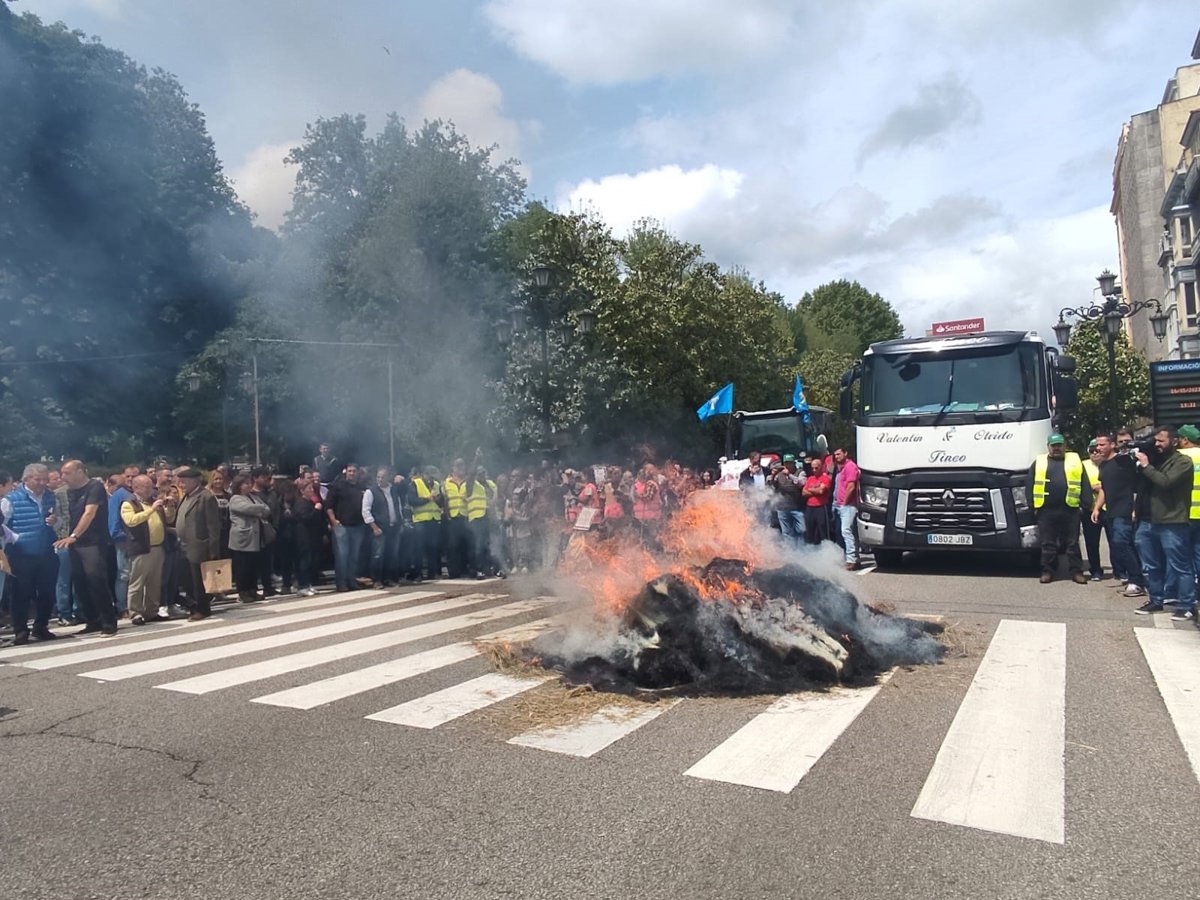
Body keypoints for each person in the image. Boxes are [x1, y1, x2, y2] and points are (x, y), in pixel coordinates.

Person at [1133, 426, 1195, 618]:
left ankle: (1187, 605)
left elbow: (1166, 482)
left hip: (1171, 520)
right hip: (1147, 520)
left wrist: (1146, 466)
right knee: (1152, 565)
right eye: (1155, 441)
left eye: (1161, 441)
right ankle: (1156, 600)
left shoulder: (1183, 462)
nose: (1157, 444)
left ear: (1174, 441)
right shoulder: (1154, 460)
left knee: (1180, 565)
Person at [56, 460, 119, 635]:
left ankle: (108, 621)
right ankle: (92, 620)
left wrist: (74, 535)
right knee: (80, 583)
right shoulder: (69, 491)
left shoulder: (95, 487)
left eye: (67, 473)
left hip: (93, 542)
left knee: (96, 580)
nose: (63, 477)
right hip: (75, 543)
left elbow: (89, 513)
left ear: (80, 471)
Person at [5, 464, 62, 643]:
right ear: (26, 479)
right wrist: (15, 540)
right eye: (38, 479)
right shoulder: (11, 500)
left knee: (47, 591)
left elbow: (60, 522)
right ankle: (21, 630)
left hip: (46, 551)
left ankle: (41, 626)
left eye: (45, 479)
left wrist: (55, 521)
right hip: (20, 554)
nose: (42, 483)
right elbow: (2, 526)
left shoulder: (51, 497)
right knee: (20, 593)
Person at [1028, 434, 1091, 584]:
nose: (1057, 448)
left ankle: (1076, 572)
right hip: (1046, 510)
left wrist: (1086, 504)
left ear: (1065, 446)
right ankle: (1047, 571)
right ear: (1048, 447)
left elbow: (1084, 482)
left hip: (1070, 509)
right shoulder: (1039, 462)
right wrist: (1032, 504)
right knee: (1047, 543)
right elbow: (1030, 483)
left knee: (1072, 543)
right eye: (1053, 445)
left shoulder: (1075, 460)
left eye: (1059, 445)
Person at [1092, 432, 1143, 598]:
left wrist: (1135, 508)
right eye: (1097, 445)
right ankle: (1135, 578)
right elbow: (1104, 489)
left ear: (1112, 445)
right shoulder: (1103, 465)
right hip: (1111, 511)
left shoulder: (1123, 461)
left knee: (1122, 542)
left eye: (1102, 445)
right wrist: (1097, 508)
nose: (1098, 448)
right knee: (1122, 544)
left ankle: (1136, 581)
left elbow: (1136, 485)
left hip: (1125, 509)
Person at [120, 475, 169, 625]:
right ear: (135, 488)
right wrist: (151, 510)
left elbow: (167, 519)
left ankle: (151, 611)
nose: (150, 490)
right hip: (141, 548)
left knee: (154, 582)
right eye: (146, 487)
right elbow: (131, 521)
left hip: (158, 547)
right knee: (137, 582)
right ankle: (135, 613)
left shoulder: (153, 501)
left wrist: (170, 508)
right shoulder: (128, 504)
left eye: (150, 487)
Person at [175, 468, 223, 620]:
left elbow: (213, 526)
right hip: (183, 545)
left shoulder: (206, 497)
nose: (181, 485)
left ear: (196, 481)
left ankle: (203, 609)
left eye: (184, 482)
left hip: (199, 545)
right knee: (187, 579)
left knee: (198, 581)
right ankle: (193, 606)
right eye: (180, 482)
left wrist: (213, 550)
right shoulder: (186, 496)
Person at [227, 473, 271, 604]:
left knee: (252, 566)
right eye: (246, 483)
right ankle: (243, 592)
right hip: (243, 537)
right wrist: (260, 508)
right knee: (242, 566)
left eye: (249, 483)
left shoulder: (253, 497)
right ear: (239, 485)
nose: (249, 485)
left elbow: (267, 509)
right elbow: (247, 508)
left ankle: (253, 590)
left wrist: (260, 509)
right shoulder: (235, 498)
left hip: (255, 538)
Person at [325, 462, 367, 592]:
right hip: (341, 526)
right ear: (346, 472)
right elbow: (329, 506)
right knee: (342, 556)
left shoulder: (361, 487)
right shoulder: (337, 486)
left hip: (358, 526)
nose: (352, 473)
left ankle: (351, 581)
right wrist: (333, 520)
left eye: (354, 471)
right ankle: (341, 583)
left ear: (358, 473)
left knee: (354, 556)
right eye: (350, 471)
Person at [364, 466, 400, 588]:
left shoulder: (393, 490)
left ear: (389, 477)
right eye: (378, 477)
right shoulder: (371, 491)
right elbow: (365, 511)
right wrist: (374, 527)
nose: (380, 479)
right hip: (379, 528)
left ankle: (388, 578)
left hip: (393, 527)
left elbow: (398, 506)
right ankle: (376, 580)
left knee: (391, 554)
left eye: (383, 477)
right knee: (378, 555)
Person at [407, 466, 444, 580]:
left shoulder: (436, 485)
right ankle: (418, 573)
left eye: (432, 476)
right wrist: (428, 499)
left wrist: (438, 500)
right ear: (423, 474)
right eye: (428, 475)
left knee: (433, 547)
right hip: (420, 520)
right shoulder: (415, 484)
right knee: (419, 547)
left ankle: (432, 572)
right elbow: (412, 501)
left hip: (434, 519)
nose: (430, 478)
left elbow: (441, 502)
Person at [1080, 440, 1108, 581]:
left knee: (1117, 542)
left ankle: (1120, 570)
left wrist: (1103, 487)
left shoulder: (1110, 463)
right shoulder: (1082, 465)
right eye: (1092, 451)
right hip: (1090, 509)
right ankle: (1096, 570)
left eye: (1097, 450)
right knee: (1091, 543)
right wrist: (1092, 487)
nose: (1095, 453)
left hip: (1110, 508)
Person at [107, 472, 132, 617]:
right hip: (123, 540)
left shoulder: (120, 495)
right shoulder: (119, 496)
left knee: (126, 574)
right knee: (124, 574)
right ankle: (122, 607)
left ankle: (126, 606)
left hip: (125, 539)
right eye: (120, 485)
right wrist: (120, 535)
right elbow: (114, 521)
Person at [832, 448, 860, 569]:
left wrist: (845, 502)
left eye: (839, 454)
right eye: (835, 455)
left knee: (846, 531)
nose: (837, 456)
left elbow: (851, 486)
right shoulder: (840, 469)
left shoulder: (850, 466)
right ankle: (854, 558)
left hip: (848, 505)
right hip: (840, 505)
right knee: (849, 532)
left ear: (845, 453)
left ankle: (851, 559)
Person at [770, 455, 805, 545]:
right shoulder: (779, 474)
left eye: (790, 463)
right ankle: (790, 551)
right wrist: (773, 475)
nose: (788, 465)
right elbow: (771, 486)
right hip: (782, 508)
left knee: (802, 530)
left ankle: (802, 550)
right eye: (786, 463)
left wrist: (789, 475)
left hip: (797, 507)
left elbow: (801, 483)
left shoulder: (800, 472)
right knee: (786, 533)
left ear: (794, 463)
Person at [802, 456, 833, 545]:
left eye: (816, 468)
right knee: (810, 531)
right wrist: (815, 490)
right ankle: (812, 550)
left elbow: (821, 491)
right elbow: (803, 493)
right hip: (809, 507)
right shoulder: (810, 478)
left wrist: (810, 489)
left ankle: (827, 549)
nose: (814, 470)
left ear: (821, 467)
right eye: (812, 468)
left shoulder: (825, 478)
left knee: (823, 531)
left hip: (821, 507)